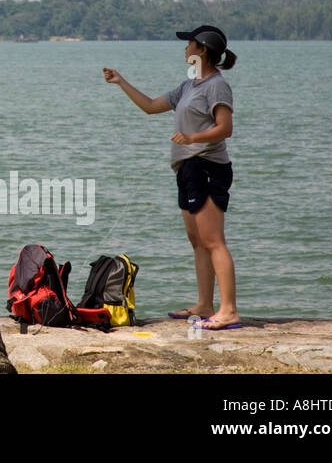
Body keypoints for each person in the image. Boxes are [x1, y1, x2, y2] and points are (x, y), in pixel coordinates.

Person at [101, 26, 241, 331]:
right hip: (187, 169)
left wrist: (192, 137)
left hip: (207, 167)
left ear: (201, 49)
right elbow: (151, 106)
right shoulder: (189, 86)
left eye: (189, 43)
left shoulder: (217, 86)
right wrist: (121, 81)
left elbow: (225, 128)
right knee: (197, 240)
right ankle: (204, 304)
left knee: (213, 240)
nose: (185, 48)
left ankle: (228, 310)